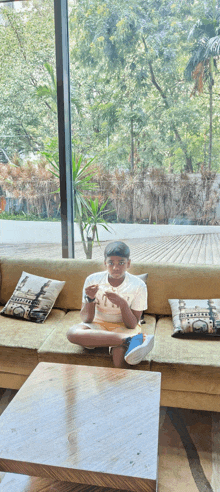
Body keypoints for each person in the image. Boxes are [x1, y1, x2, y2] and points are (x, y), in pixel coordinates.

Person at [67, 241, 154, 368]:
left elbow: (132, 325)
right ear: (105, 263)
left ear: (128, 263)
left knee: (119, 358)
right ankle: (134, 340)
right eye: (111, 263)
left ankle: (124, 342)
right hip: (97, 325)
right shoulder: (92, 280)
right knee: (72, 333)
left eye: (121, 263)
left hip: (124, 326)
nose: (115, 268)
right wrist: (90, 299)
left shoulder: (139, 285)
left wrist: (123, 305)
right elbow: (87, 319)